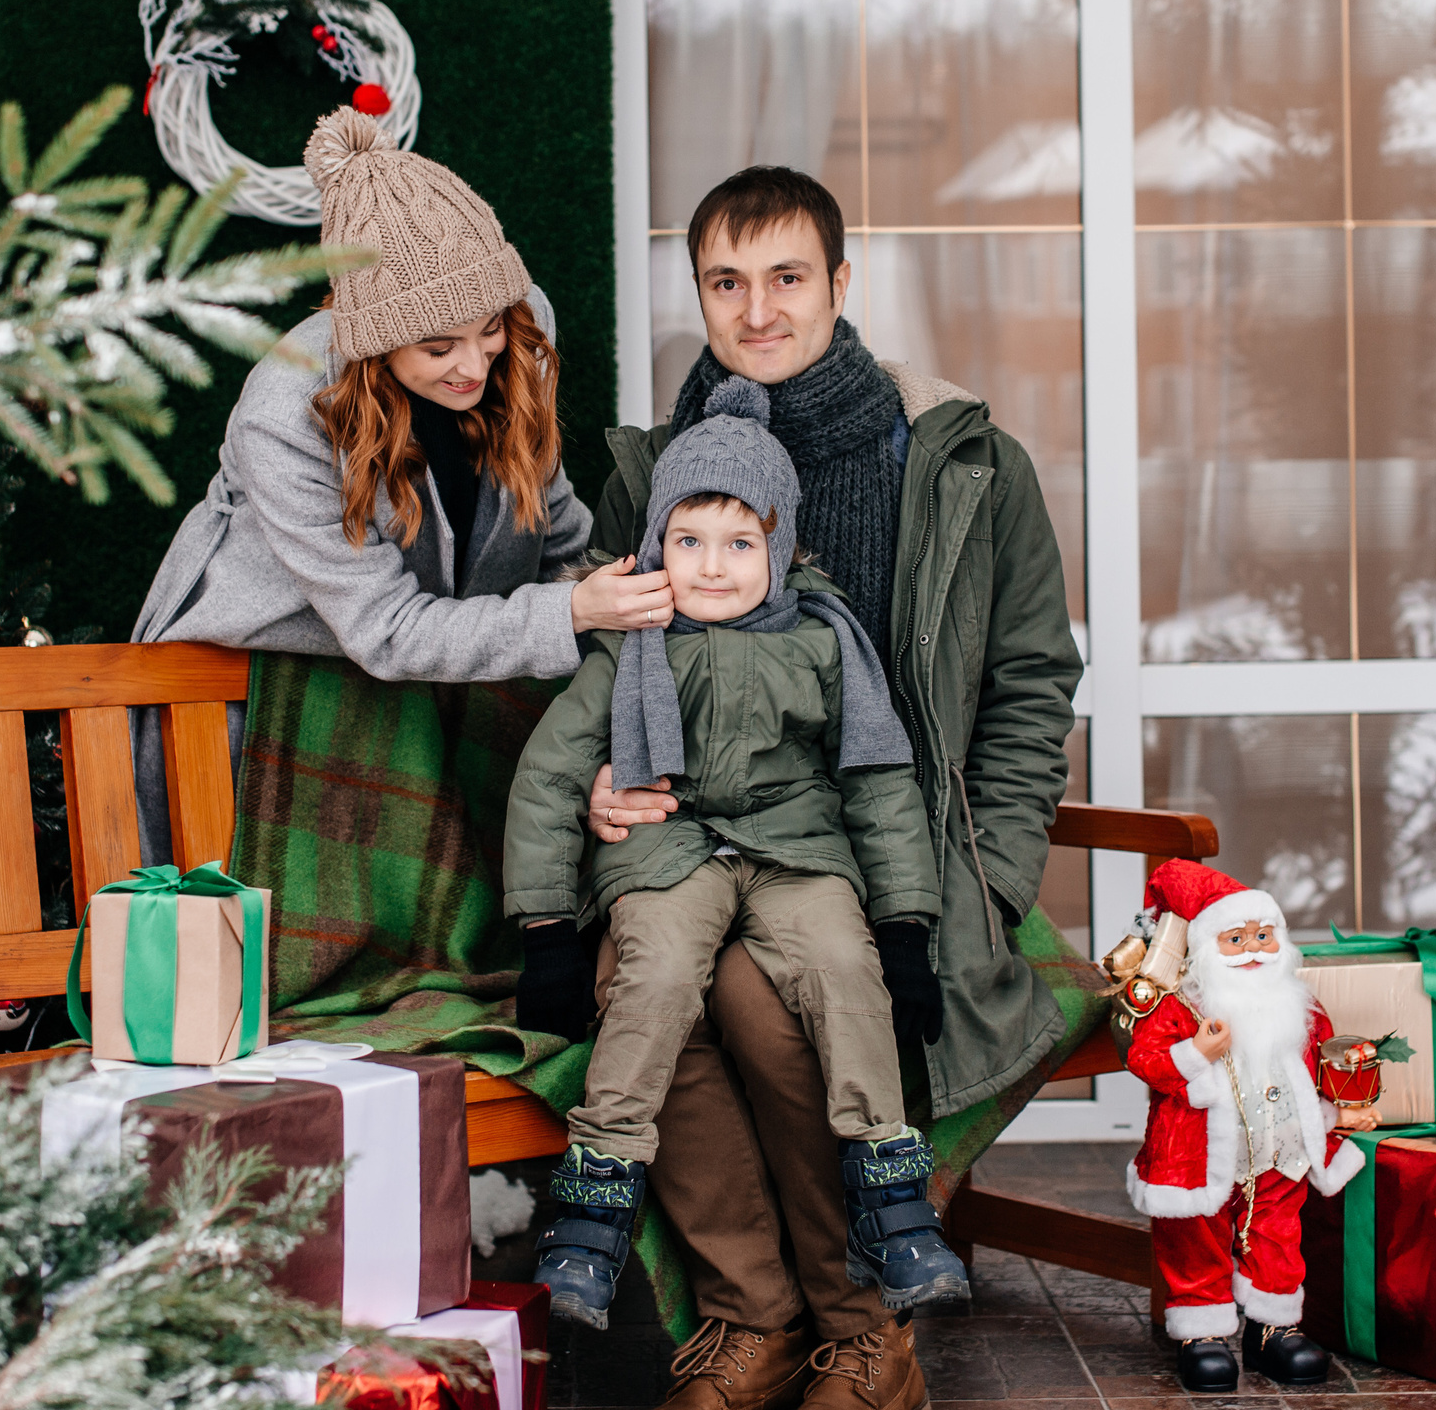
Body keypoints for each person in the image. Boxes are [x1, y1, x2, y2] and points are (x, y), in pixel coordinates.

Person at [583, 167, 1082, 1410]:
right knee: (641, 983)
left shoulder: (961, 461)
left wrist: (993, 875)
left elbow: (1031, 682)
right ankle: (753, 1316)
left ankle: (864, 1332)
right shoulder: (648, 476)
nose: (757, 310)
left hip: (896, 850)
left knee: (761, 1004)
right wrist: (601, 781)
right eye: (726, 282)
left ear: (840, 282)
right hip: (696, 840)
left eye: (787, 277)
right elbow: (605, 672)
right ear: (697, 294)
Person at [501, 378, 965, 1332]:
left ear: (781, 548)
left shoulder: (823, 643)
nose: (712, 568)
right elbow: (549, 776)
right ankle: (594, 1208)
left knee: (843, 968)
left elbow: (878, 784)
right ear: (654, 546)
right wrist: (546, 931)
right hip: (665, 849)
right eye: (689, 541)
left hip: (796, 848)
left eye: (740, 543)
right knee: (657, 973)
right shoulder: (630, 644)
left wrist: (904, 926)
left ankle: (891, 1198)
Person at [128, 107, 670, 858]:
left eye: (488, 329)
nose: (474, 366)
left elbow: (555, 532)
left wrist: (617, 589)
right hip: (257, 683)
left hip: (427, 674)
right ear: (374, 344)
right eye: (439, 347)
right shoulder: (286, 411)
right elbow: (384, 629)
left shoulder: (521, 337)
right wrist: (571, 611)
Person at [1120, 860, 1377, 1392]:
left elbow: (1319, 1062)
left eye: (1264, 935)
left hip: (1280, 1149)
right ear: (1207, 945)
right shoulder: (1178, 1004)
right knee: (1197, 1238)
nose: (1254, 949)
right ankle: (1203, 1333)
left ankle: (1273, 1328)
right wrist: (1196, 1052)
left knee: (1278, 1235)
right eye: (1236, 939)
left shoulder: (1298, 1002)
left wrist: (1341, 1108)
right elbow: (1145, 1059)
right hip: (1198, 1155)